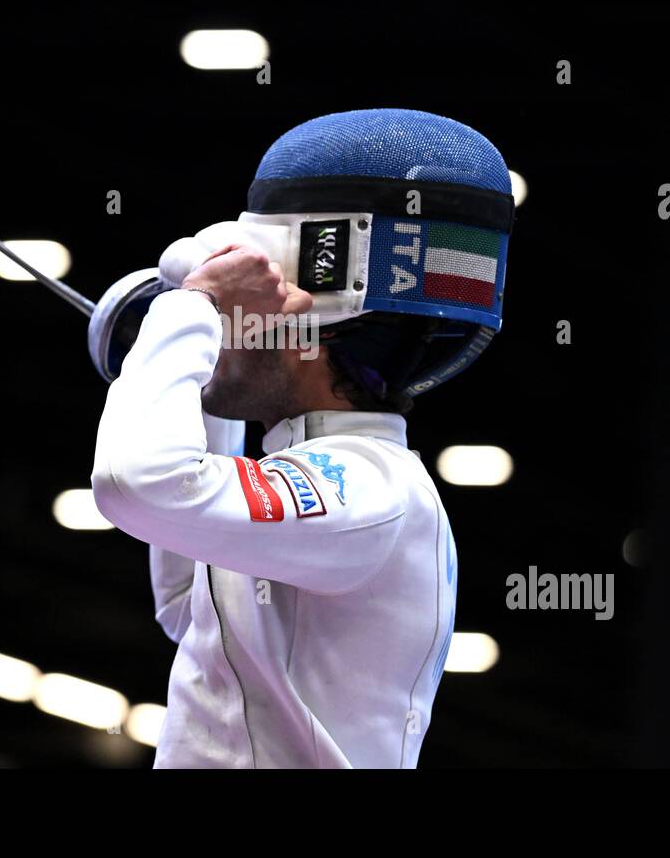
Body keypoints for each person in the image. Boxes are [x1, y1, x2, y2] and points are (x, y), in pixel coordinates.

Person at [91, 109, 514, 768]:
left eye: (235, 305)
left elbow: (135, 485)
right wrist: (191, 350)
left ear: (299, 320)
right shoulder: (323, 477)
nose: (218, 329)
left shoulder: (371, 485)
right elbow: (185, 602)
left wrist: (188, 310)